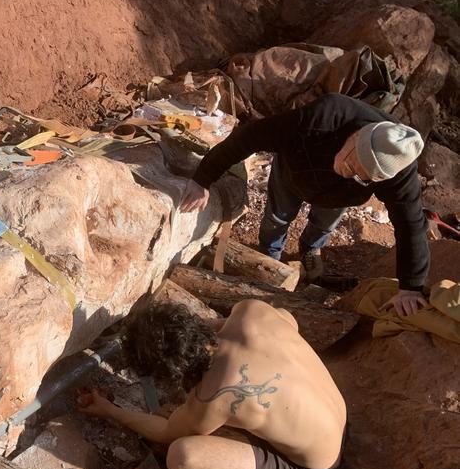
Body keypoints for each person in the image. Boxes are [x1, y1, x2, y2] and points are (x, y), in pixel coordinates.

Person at [181, 93, 427, 317]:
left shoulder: (400, 169)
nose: (346, 173)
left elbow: (411, 224)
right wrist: (203, 178)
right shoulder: (322, 117)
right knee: (278, 217)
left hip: (339, 197)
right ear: (356, 136)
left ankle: (311, 250)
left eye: (361, 177)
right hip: (295, 172)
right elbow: (250, 136)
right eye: (351, 164)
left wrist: (411, 286)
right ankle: (271, 257)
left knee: (324, 225)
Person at [79, 301, 347, 469]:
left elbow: (165, 432)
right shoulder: (251, 310)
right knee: (284, 319)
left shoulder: (213, 396)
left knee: (182, 457)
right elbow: (289, 321)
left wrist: (111, 411)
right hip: (338, 424)